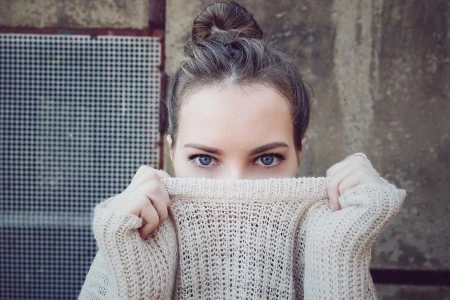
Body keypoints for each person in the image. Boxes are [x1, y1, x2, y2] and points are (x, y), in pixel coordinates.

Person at [105, 1, 385, 240]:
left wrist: (349, 246)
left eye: (267, 159)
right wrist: (120, 250)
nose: (236, 193)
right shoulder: (136, 239)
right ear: (172, 152)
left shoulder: (330, 241)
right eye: (204, 159)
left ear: (299, 152)